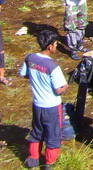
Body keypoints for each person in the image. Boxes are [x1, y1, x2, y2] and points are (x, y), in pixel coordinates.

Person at [20, 30, 68, 168]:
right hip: (52, 106)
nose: (56, 46)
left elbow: (24, 74)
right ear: (50, 46)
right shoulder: (53, 67)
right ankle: (49, 163)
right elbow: (59, 89)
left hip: (37, 104)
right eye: (56, 44)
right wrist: (66, 86)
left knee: (36, 132)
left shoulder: (30, 58)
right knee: (53, 136)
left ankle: (33, 159)